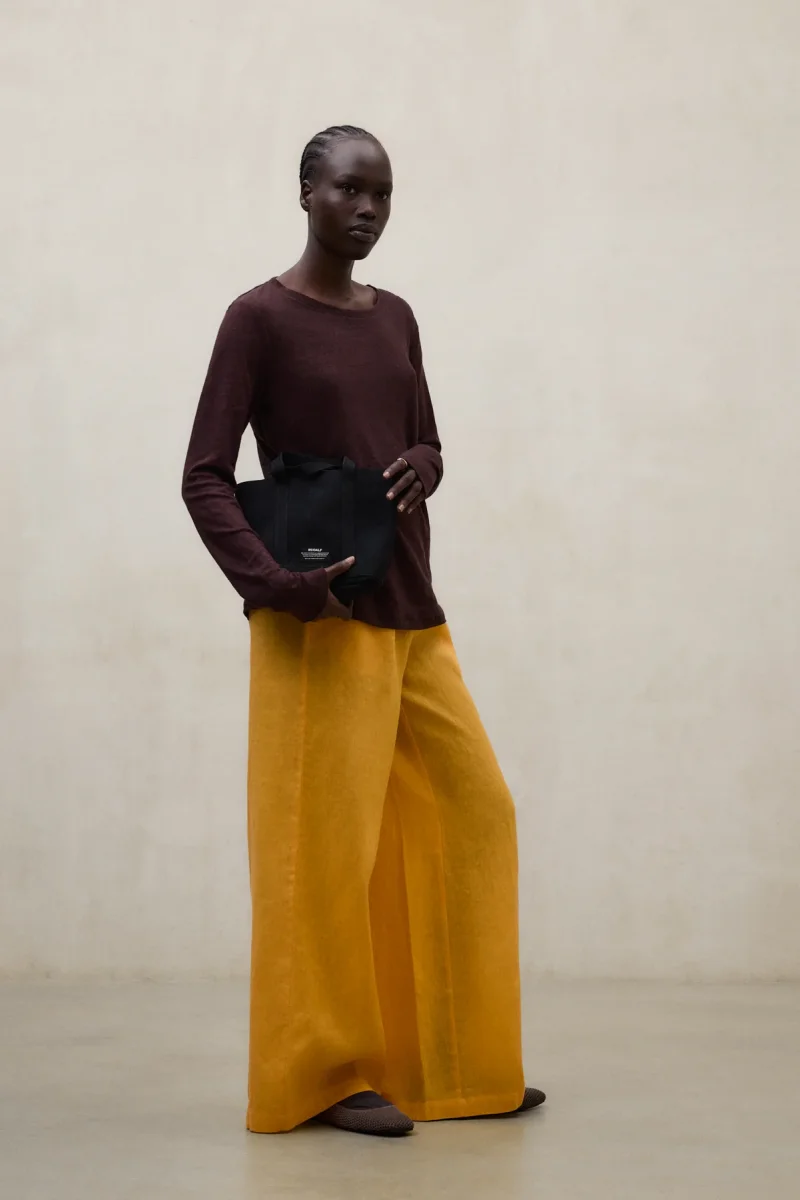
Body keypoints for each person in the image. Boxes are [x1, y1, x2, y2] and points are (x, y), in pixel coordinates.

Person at [182, 125, 545, 1137]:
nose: (368, 209)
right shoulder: (257, 319)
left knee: (475, 812)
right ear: (306, 190)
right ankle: (322, 1075)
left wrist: (424, 464)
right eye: (349, 189)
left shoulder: (396, 318)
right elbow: (204, 475)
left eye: (381, 193)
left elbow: (425, 439)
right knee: (322, 855)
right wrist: (275, 585)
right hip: (319, 619)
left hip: (410, 602)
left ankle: (455, 1064)